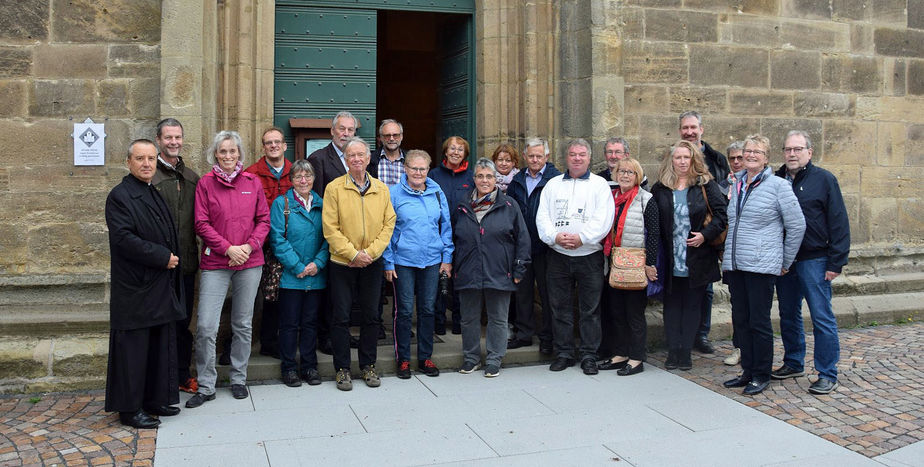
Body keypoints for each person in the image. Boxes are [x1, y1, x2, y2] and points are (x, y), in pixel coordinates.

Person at [186, 131, 270, 408]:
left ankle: (238, 379)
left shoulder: (252, 182)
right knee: (206, 326)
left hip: (249, 262)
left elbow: (263, 220)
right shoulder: (206, 184)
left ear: (239, 154)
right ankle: (207, 385)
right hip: (216, 263)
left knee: (242, 324)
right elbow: (201, 223)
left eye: (232, 151)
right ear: (215, 154)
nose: (228, 156)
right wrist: (228, 248)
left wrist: (248, 246)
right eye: (223, 151)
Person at [105, 139, 184, 428]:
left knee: (157, 345)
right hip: (136, 287)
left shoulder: (151, 190)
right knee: (134, 351)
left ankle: (153, 399)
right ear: (128, 162)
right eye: (140, 158)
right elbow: (124, 240)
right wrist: (163, 257)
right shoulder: (120, 195)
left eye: (151, 158)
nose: (147, 164)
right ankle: (129, 409)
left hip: (158, 285)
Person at [721, 134, 805, 396]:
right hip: (736, 265)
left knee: (758, 322)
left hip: (761, 264)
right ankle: (747, 369)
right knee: (741, 320)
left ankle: (761, 373)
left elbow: (797, 225)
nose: (751, 155)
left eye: (757, 151)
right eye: (748, 151)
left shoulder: (779, 186)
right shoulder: (736, 184)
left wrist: (785, 261)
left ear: (767, 157)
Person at [772, 130, 850, 395]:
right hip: (785, 260)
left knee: (821, 316)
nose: (792, 154)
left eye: (797, 149)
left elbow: (838, 220)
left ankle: (827, 372)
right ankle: (794, 362)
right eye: (787, 149)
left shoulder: (824, 180)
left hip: (815, 259)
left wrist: (836, 262)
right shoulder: (776, 179)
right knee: (788, 314)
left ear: (809, 152)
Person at [536, 138, 615, 375]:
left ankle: (589, 355)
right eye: (573, 154)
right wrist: (554, 237)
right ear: (566, 157)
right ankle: (564, 353)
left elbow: (605, 217)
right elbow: (542, 217)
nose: (577, 158)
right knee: (560, 307)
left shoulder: (600, 185)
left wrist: (584, 238)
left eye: (582, 154)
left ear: (589, 158)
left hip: (589, 255)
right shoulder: (552, 185)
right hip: (558, 256)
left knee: (590, 309)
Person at [322, 137, 396, 391]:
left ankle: (368, 365)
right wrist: (353, 254)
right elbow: (330, 228)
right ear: (345, 159)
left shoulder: (381, 189)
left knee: (371, 316)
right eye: (350, 155)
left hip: (372, 263)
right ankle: (342, 369)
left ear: (367, 159)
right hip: (342, 263)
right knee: (340, 317)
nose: (356, 159)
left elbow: (389, 224)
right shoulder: (334, 188)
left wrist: (371, 253)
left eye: (360, 155)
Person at [650, 140, 726, 372]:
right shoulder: (660, 188)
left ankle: (686, 353)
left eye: (686, 157)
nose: (682, 162)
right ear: (671, 160)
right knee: (672, 306)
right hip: (671, 257)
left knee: (692, 306)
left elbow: (722, 217)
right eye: (678, 157)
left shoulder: (705, 185)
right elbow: (653, 225)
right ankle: (673, 351)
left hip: (697, 257)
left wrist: (705, 235)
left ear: (694, 160)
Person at [452, 158, 530, 377]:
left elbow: (522, 239)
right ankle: (471, 358)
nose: (484, 180)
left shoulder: (509, 205)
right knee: (468, 318)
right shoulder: (462, 205)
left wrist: (519, 269)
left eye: (489, 176)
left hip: (500, 270)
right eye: (480, 176)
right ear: (473, 179)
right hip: (468, 269)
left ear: (496, 179)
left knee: (498, 318)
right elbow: (452, 237)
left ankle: (495, 359)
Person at [383, 150, 453, 379]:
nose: (418, 173)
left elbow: (446, 227)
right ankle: (403, 359)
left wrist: (447, 258)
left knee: (427, 309)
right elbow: (386, 230)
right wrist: (388, 261)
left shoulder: (436, 192)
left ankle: (425, 357)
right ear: (405, 168)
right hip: (403, 261)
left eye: (423, 169)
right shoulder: (394, 193)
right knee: (403, 311)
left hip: (432, 260)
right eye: (414, 168)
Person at [270, 160, 329, 388]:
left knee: (310, 323)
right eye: (298, 177)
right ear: (291, 180)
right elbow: (277, 239)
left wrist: (318, 263)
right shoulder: (281, 204)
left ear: (314, 179)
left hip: (316, 275)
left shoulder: (323, 205)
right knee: (289, 324)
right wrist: (297, 266)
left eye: (307, 176)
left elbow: (329, 238)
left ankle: (309, 366)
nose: (303, 181)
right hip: (290, 277)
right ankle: (289, 368)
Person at [151, 118, 200, 394]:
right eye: (168, 137)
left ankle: (182, 374)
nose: (173, 142)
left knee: (183, 323)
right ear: (159, 140)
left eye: (177, 137)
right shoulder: (151, 176)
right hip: (159, 264)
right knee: (160, 323)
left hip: (187, 264)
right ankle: (161, 378)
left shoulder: (191, 177)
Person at [598, 158, 660, 376]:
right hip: (613, 263)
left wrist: (650, 264)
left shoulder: (646, 199)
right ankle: (620, 353)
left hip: (635, 263)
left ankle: (636, 358)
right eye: (621, 171)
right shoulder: (610, 198)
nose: (625, 175)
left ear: (638, 176)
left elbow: (653, 234)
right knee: (616, 311)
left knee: (634, 313)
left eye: (630, 172)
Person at [678, 111, 731, 355]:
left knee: (706, 288)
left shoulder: (717, 159)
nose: (689, 132)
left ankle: (701, 333)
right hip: (681, 235)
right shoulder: (674, 155)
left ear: (702, 129)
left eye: (693, 127)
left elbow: (723, 196)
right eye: (685, 128)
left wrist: (709, 232)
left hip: (707, 235)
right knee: (680, 286)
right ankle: (681, 333)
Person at [308, 111, 358, 355]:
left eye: (350, 130)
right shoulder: (318, 158)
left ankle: (343, 333)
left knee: (345, 292)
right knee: (328, 290)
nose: (346, 134)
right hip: (330, 235)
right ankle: (325, 336)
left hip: (355, 238)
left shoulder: (358, 159)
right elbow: (316, 200)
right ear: (332, 131)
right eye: (342, 129)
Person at [506, 138, 561, 353]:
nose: (535, 159)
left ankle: (548, 337)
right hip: (522, 246)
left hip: (547, 247)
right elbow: (508, 209)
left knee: (549, 294)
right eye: (531, 156)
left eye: (539, 156)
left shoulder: (556, 179)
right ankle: (524, 334)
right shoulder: (517, 180)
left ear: (547, 157)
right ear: (525, 156)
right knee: (522, 293)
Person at [244, 127, 294, 360]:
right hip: (257, 243)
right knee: (249, 294)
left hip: (286, 245)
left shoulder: (295, 172)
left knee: (278, 294)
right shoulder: (251, 173)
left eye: (277, 142)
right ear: (263, 147)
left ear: (285, 146)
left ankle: (271, 341)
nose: (273, 146)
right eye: (268, 143)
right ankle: (240, 343)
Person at [428, 136, 475, 335]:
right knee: (439, 279)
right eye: (452, 149)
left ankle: (459, 321)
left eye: (460, 150)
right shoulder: (434, 175)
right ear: (445, 151)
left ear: (465, 154)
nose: (456, 152)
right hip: (437, 235)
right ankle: (438, 321)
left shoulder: (471, 177)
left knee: (460, 279)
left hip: (464, 235)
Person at [720, 140, 745, 367]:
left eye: (740, 157)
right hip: (731, 254)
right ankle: (739, 347)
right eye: (733, 158)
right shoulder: (724, 185)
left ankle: (752, 351)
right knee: (737, 304)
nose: (737, 162)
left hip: (753, 255)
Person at [367, 118, 406, 186]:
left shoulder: (410, 159)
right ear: (381, 138)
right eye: (387, 135)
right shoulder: (369, 159)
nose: (391, 139)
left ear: (401, 137)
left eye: (395, 135)